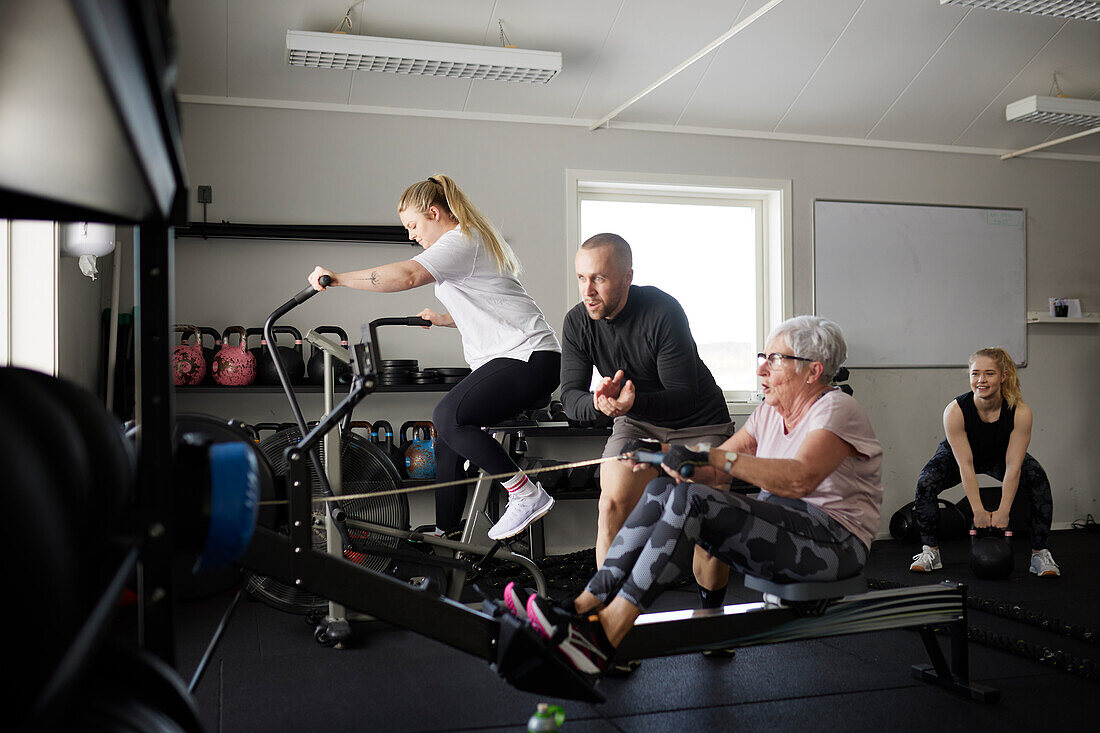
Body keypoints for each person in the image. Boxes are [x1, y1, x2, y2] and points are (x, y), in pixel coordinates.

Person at [508, 316, 882, 676]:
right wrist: (660, 455)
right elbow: (716, 468)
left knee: (694, 500)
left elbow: (800, 479)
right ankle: (580, 607)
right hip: (783, 535)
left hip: (834, 546)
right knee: (659, 489)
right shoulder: (770, 413)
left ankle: (606, 634)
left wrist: (714, 456)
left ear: (813, 371)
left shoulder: (835, 408)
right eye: (763, 358)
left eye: (776, 360)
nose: (762, 370)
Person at [308, 175, 561, 540]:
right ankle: (446, 536)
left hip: (529, 357)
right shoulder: (466, 244)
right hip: (520, 357)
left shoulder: (461, 239)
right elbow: (489, 303)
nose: (412, 235)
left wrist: (338, 278)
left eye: (413, 225)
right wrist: (444, 319)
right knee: (447, 437)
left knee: (446, 416)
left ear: (434, 212)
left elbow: (408, 275)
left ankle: (525, 493)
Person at [559, 233, 736, 616]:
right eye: (581, 278)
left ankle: (711, 619)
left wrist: (631, 401)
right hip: (637, 423)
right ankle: (605, 621)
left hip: (698, 422)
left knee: (707, 517)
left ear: (627, 277)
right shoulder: (577, 323)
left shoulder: (661, 310)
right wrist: (598, 403)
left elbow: (682, 394)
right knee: (611, 504)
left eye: (599, 279)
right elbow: (569, 397)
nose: (587, 290)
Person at [909, 347, 1059, 577]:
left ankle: (1039, 554)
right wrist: (977, 510)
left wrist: (1003, 511)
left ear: (1003, 376)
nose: (981, 380)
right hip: (960, 456)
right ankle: (931, 551)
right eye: (975, 373)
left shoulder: (1020, 412)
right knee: (926, 482)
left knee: (1038, 480)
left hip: (1000, 456)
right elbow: (965, 465)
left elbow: (1013, 466)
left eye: (989, 373)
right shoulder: (955, 411)